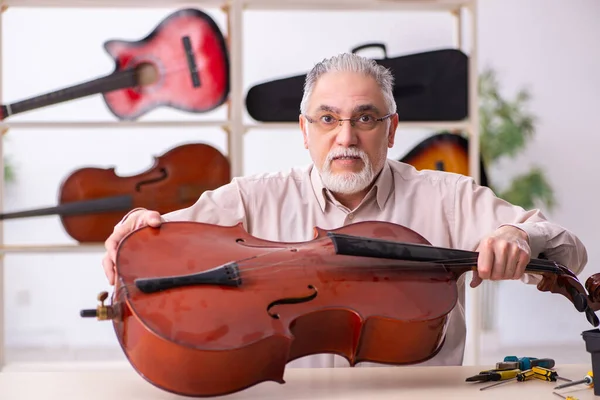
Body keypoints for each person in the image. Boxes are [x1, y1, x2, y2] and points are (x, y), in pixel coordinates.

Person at [101, 53, 587, 368]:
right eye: (328, 119)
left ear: (391, 130)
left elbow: (569, 249)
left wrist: (520, 236)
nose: (346, 137)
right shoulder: (251, 197)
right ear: (304, 130)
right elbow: (168, 241)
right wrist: (140, 232)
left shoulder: (447, 195)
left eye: (366, 119)